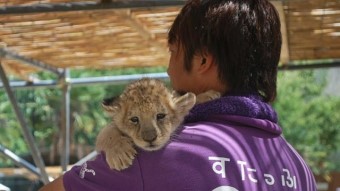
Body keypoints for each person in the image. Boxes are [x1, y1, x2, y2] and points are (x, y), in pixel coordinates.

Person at [40, 0, 317, 190]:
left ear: (202, 61)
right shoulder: (299, 168)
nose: (168, 69)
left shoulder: (149, 155)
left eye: (173, 51)